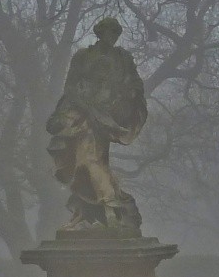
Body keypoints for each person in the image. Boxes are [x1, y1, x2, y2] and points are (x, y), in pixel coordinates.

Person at [46, 17, 148, 231]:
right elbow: (71, 87)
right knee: (85, 160)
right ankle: (104, 207)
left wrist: (128, 94)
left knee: (92, 159)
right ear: (100, 33)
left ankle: (108, 205)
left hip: (109, 116)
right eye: (110, 32)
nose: (113, 37)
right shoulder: (83, 56)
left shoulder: (123, 58)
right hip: (83, 114)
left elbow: (136, 84)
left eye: (116, 33)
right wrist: (85, 108)